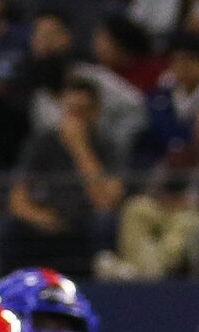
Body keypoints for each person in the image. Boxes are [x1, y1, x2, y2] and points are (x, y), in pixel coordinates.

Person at [9, 78, 127, 275]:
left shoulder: (106, 145)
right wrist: (40, 217)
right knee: (11, 229)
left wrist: (79, 148)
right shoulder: (42, 143)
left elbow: (106, 201)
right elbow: (17, 198)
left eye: (82, 111)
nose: (75, 118)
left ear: (95, 111)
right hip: (49, 216)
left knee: (104, 222)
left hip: (86, 218)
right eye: (70, 110)